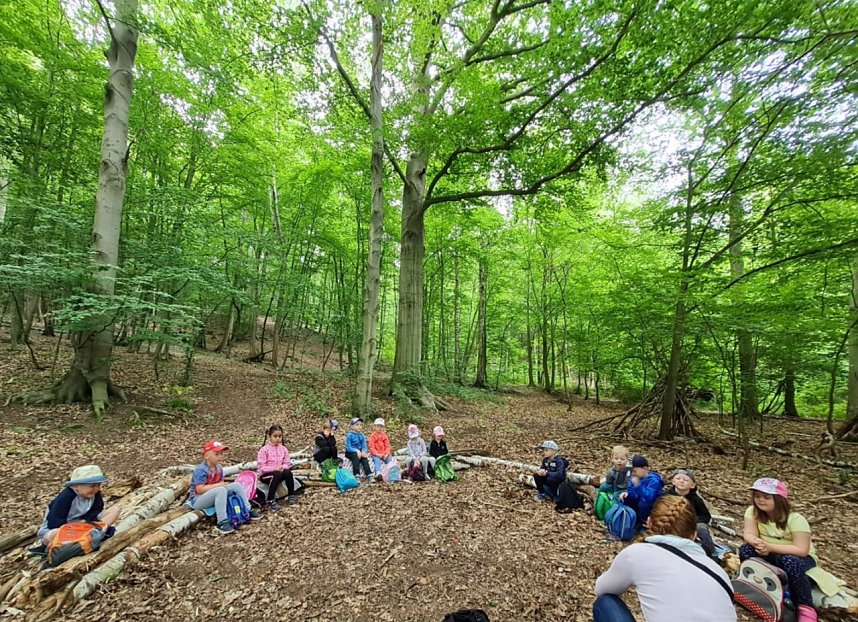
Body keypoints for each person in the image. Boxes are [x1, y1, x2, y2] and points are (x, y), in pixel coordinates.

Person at [593, 495, 736, 622]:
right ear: (694, 535)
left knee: (606, 602)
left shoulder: (637, 553)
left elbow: (602, 588)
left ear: (649, 523)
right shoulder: (719, 571)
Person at [741, 478, 830, 622]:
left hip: (796, 556)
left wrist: (769, 547)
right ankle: (755, 587)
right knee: (745, 550)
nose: (760, 500)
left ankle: (805, 607)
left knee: (790, 562)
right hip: (767, 550)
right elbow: (749, 534)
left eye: (766, 497)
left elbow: (802, 550)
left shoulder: (795, 519)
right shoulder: (752, 512)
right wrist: (756, 543)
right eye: (757, 496)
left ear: (779, 499)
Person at [36, 465, 121, 547]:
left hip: (85, 524)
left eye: (98, 485)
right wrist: (74, 526)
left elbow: (97, 509)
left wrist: (86, 520)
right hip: (63, 528)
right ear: (76, 486)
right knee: (52, 535)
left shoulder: (94, 493)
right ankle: (76, 540)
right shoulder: (66, 496)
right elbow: (53, 522)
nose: (96, 489)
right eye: (92, 486)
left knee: (115, 510)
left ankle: (96, 532)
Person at [190, 440, 261, 535]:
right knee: (221, 490)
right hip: (198, 500)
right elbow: (199, 489)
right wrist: (219, 486)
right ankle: (222, 521)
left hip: (214, 493)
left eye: (222, 454)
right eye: (216, 454)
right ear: (207, 456)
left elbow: (221, 483)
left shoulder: (218, 468)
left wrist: (220, 485)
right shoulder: (201, 470)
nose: (220, 456)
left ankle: (247, 509)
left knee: (236, 486)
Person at [666, 468, 715, 556]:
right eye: (678, 478)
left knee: (702, 528)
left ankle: (709, 552)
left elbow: (705, 516)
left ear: (692, 485)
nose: (681, 481)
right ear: (673, 481)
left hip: (690, 525)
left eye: (685, 480)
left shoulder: (696, 500)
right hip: (671, 522)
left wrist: (692, 521)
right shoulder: (666, 496)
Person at [257, 424, 297, 510]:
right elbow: (262, 467)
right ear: (269, 437)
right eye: (275, 436)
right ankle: (270, 500)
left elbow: (287, 462)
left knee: (288, 472)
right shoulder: (264, 450)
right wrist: (274, 469)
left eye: (280, 436)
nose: (278, 438)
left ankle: (291, 495)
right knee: (277, 474)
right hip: (266, 475)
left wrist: (283, 467)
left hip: (279, 472)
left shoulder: (283, 449)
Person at [618, 455, 663, 528]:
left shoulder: (654, 481)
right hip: (638, 503)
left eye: (634, 471)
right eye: (631, 471)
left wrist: (638, 486)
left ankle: (644, 523)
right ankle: (629, 518)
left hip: (651, 506)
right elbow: (632, 491)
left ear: (645, 468)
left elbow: (649, 496)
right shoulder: (634, 477)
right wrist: (627, 493)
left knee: (643, 504)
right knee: (625, 498)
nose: (632, 473)